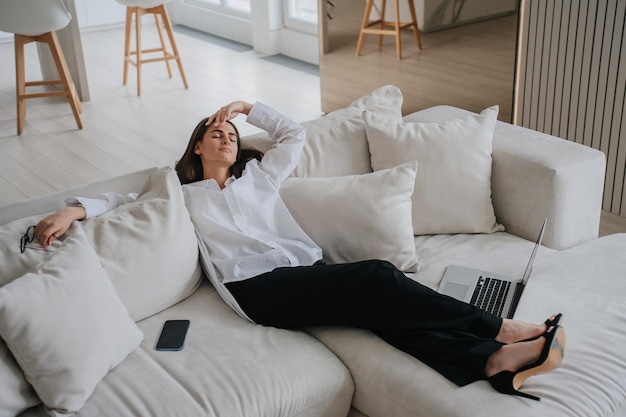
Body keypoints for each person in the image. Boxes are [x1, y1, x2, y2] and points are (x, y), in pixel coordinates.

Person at [34, 101, 566, 400]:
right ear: (197, 146)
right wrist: (71, 210)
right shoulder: (177, 189)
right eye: (215, 133)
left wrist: (248, 107)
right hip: (258, 292)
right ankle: (497, 328)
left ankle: (492, 361)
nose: (227, 138)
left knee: (384, 313)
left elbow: (292, 137)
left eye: (231, 133)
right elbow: (119, 200)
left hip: (305, 272)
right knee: (378, 278)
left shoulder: (259, 177)